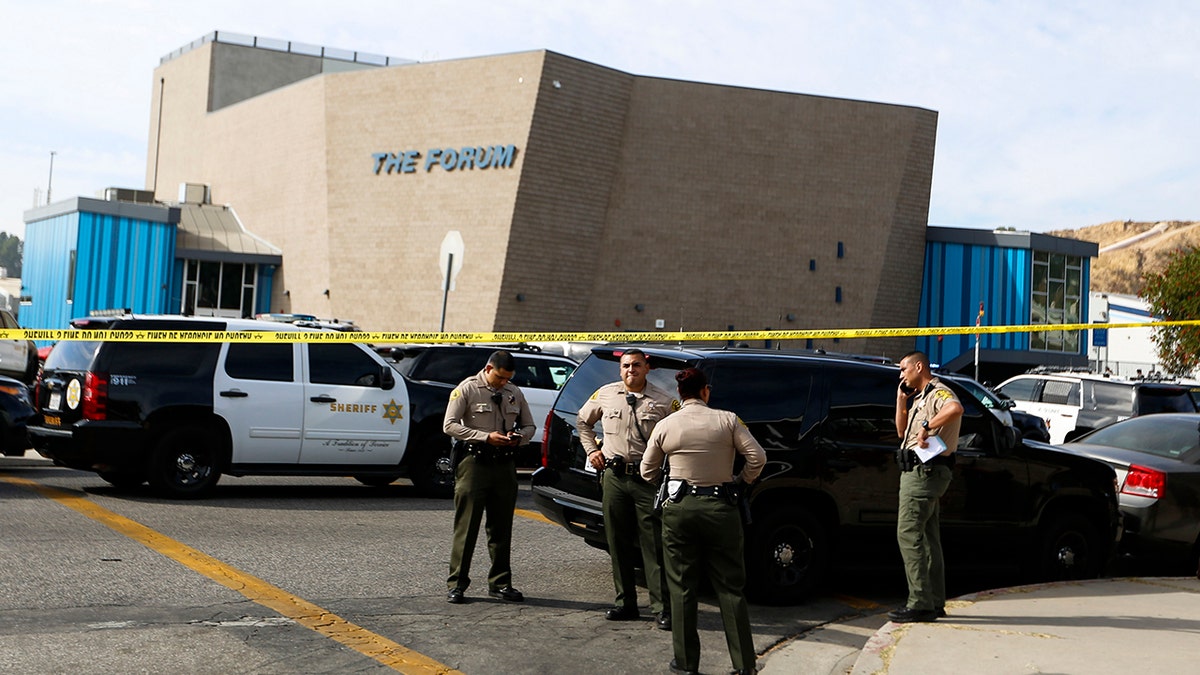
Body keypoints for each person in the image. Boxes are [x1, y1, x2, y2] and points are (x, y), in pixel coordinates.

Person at [641, 368, 765, 675]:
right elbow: (758, 457)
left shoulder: (667, 424)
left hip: (680, 508)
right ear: (706, 391)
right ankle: (744, 664)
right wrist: (739, 480)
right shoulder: (728, 420)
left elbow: (647, 470)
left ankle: (686, 663)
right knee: (730, 588)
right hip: (722, 508)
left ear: (680, 394)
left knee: (682, 587)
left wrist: (667, 485)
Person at [578, 349, 679, 630]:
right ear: (619, 370)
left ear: (647, 368)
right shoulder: (606, 394)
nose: (630, 370)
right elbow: (583, 422)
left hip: (648, 480)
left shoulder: (664, 402)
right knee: (617, 541)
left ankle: (662, 608)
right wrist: (591, 450)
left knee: (654, 545)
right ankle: (625, 603)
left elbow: (678, 437)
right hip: (614, 477)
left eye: (636, 365)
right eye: (625, 366)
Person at [443, 350, 535, 604]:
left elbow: (530, 425)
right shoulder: (468, 389)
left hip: (504, 464)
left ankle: (501, 583)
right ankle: (457, 584)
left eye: (507, 378)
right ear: (488, 369)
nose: (503, 382)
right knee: (467, 526)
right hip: (475, 462)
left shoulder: (514, 392)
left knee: (501, 527)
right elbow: (449, 425)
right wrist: (484, 437)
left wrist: (519, 438)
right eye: (500, 377)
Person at [891, 350, 964, 623]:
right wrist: (901, 400)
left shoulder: (938, 392)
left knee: (908, 533)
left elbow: (956, 408)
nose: (901, 375)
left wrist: (927, 426)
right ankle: (934, 602)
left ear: (918, 366)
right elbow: (901, 433)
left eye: (903, 369)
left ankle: (920, 602)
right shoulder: (920, 397)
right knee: (929, 537)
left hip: (925, 471)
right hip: (918, 470)